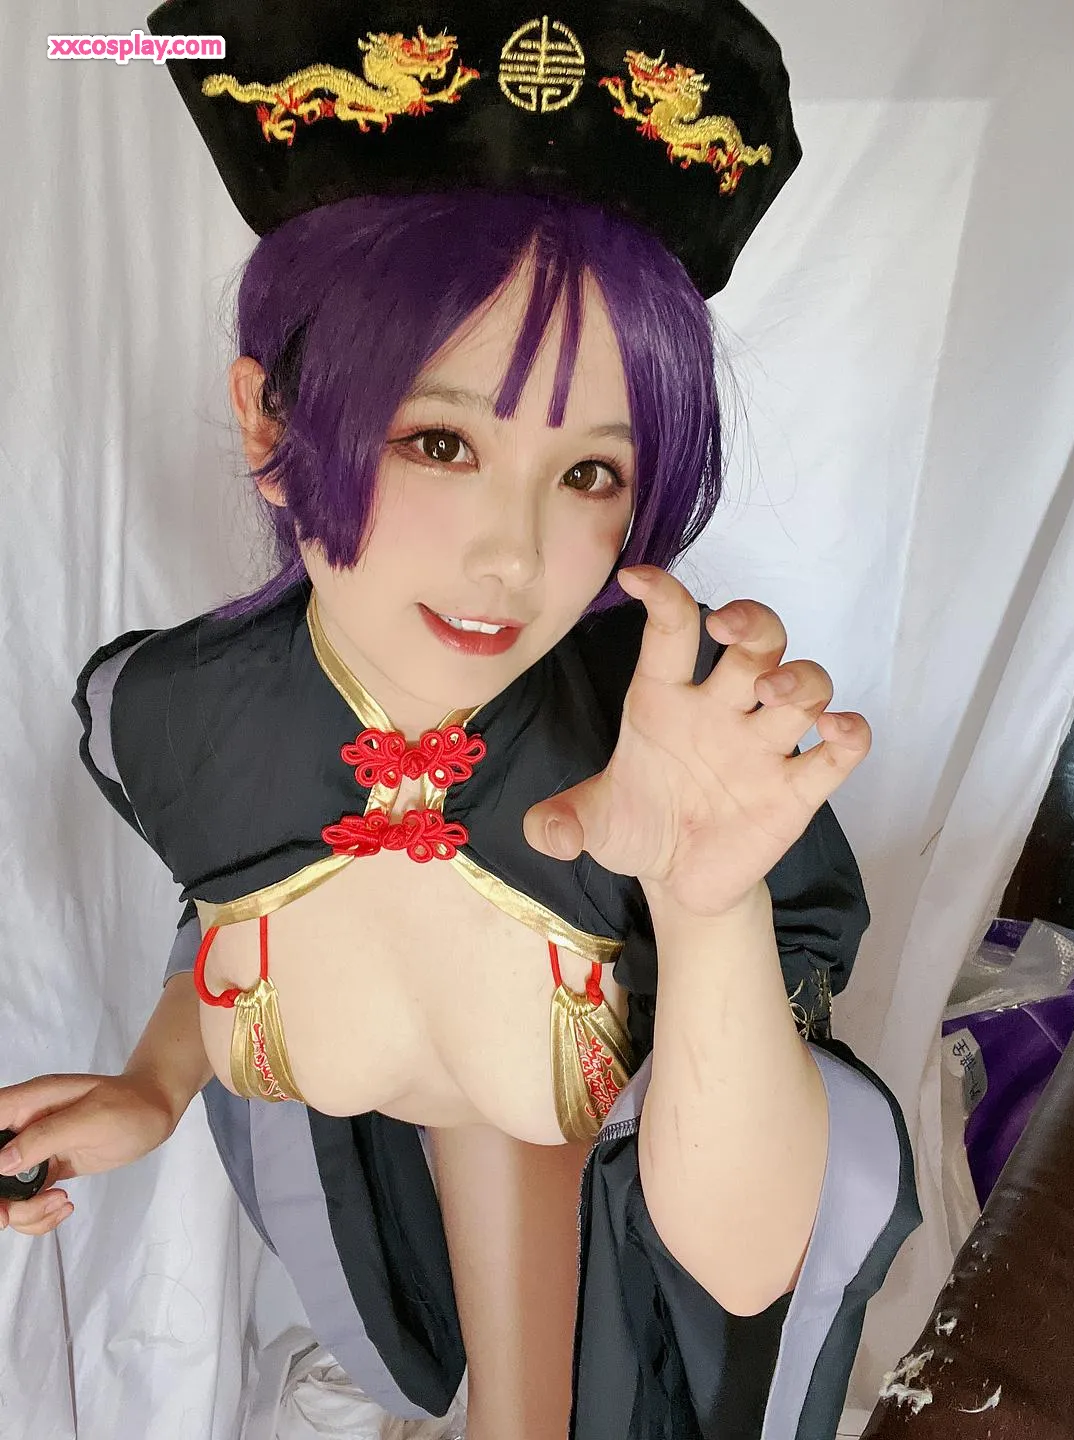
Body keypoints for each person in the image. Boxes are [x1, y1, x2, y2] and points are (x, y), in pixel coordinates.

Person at [0, 2, 921, 1436]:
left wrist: (707, 901)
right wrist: (152, 1085)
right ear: (269, 422)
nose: (513, 558)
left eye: (592, 473)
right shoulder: (169, 713)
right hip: (440, 1138)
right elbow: (235, 891)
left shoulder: (664, 744)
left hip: (607, 1197)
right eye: (441, 441)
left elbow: (747, 1270)